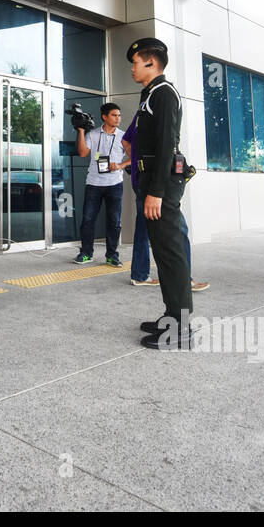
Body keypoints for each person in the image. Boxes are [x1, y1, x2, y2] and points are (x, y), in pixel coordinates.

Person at [126, 38, 195, 351]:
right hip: (153, 182)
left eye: (136, 62)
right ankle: (172, 315)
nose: (132, 68)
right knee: (163, 252)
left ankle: (180, 328)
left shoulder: (163, 94)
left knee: (170, 254)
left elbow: (167, 144)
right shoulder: (150, 95)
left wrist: (156, 192)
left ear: (151, 63)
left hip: (161, 186)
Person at [121, 123, 206, 292]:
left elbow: (126, 141)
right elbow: (129, 142)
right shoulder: (158, 109)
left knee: (144, 229)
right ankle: (183, 279)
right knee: (179, 230)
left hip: (144, 181)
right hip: (156, 184)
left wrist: (139, 161)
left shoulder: (142, 114)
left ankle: (139, 274)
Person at [74, 103, 129, 266]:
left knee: (114, 221)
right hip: (94, 183)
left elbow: (134, 156)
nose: (118, 118)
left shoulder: (123, 136)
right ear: (104, 117)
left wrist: (119, 165)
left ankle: (112, 255)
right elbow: (83, 153)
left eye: (119, 115)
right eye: (114, 115)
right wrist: (82, 132)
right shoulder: (93, 134)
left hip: (115, 183)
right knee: (88, 220)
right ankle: (86, 253)